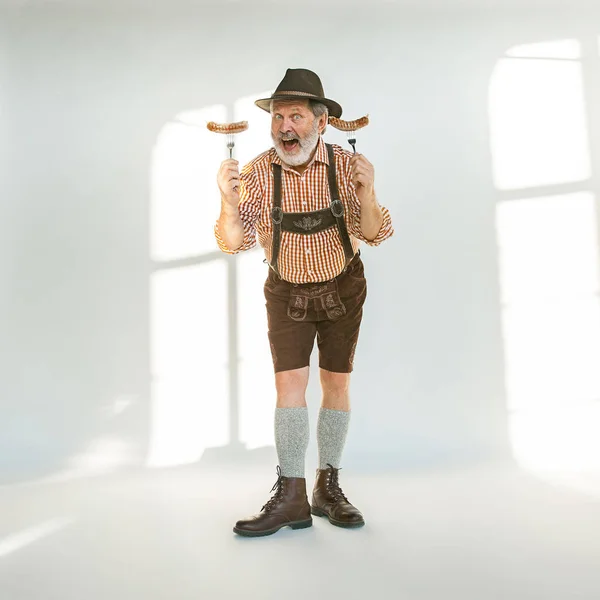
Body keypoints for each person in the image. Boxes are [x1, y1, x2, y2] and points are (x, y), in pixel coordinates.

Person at [214, 68, 393, 537]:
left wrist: (368, 193)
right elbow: (234, 244)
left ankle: (327, 486)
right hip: (286, 292)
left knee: (335, 385)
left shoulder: (343, 165)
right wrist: (228, 203)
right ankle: (291, 494)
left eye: (295, 116)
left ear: (322, 123)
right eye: (277, 116)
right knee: (289, 389)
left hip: (342, 289)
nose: (284, 127)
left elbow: (375, 233)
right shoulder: (254, 173)